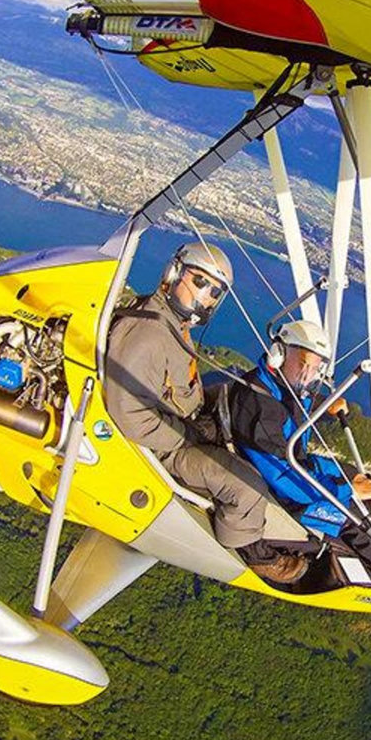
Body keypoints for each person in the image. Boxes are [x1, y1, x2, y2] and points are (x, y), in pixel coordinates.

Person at [103, 241, 305, 583]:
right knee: (247, 488)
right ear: (174, 272)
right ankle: (253, 551)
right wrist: (189, 434)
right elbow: (130, 415)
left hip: (181, 422)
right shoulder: (149, 335)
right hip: (165, 448)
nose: (206, 297)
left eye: (215, 291)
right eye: (199, 282)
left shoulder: (169, 322)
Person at [227, 319, 371, 571]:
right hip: (283, 491)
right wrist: (347, 491)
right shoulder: (259, 404)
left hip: (293, 464)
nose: (307, 374)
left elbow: (295, 406)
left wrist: (325, 403)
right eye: (302, 363)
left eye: (315, 367)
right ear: (278, 354)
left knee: (352, 473)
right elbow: (283, 477)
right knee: (351, 518)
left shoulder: (279, 386)